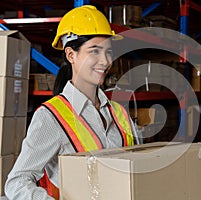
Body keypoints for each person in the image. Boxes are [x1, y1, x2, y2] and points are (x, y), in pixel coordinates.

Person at [5, 5, 141, 200]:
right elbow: (17, 182)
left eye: (108, 52)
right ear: (71, 55)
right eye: (94, 51)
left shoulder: (119, 112)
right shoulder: (51, 117)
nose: (105, 61)